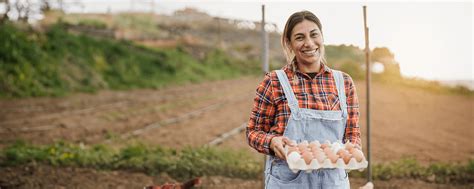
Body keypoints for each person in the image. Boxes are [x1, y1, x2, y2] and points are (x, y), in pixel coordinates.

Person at [246, 10, 361, 189]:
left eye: (314, 35)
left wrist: (352, 152)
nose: (309, 43)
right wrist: (271, 142)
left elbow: (352, 134)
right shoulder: (274, 82)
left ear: (322, 37)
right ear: (289, 44)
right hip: (288, 182)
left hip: (333, 182)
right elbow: (253, 132)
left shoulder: (344, 82)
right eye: (300, 37)